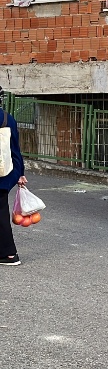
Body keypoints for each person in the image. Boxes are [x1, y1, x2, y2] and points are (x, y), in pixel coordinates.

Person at [0, 90, 27, 266]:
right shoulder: (7, 118)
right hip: (4, 172)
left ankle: (9, 253)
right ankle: (9, 254)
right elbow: (14, 148)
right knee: (1, 210)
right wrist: (20, 173)